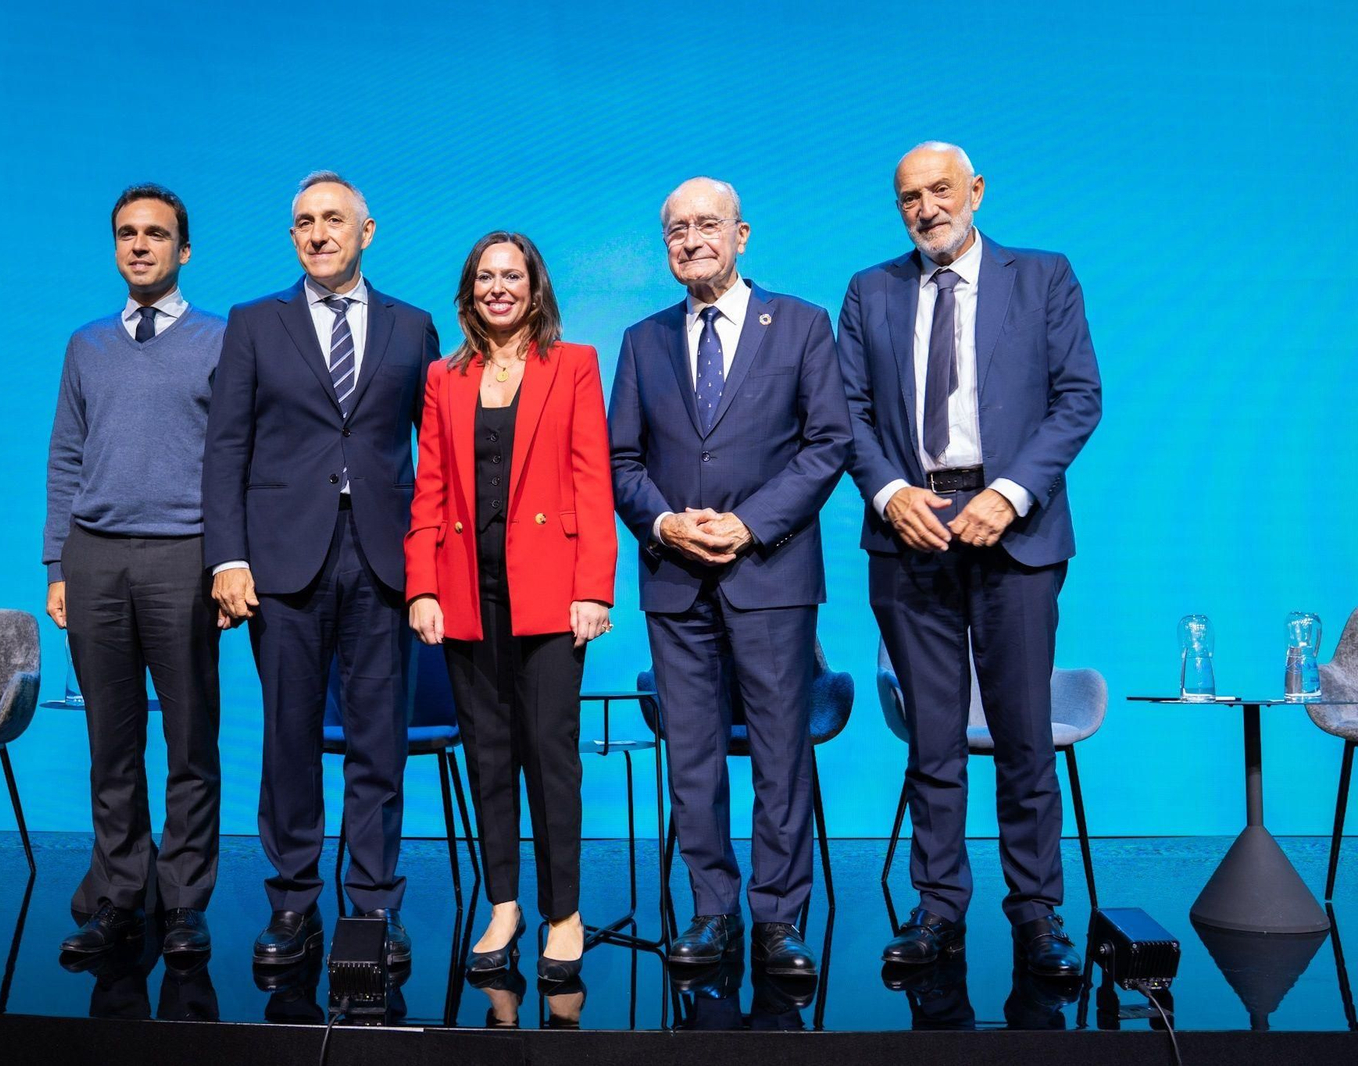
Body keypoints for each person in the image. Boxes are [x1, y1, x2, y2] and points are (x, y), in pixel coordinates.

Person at [835, 142, 1101, 976]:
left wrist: (1010, 494)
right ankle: (938, 909)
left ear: (976, 192)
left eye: (940, 190)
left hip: (1013, 533)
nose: (925, 208)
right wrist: (889, 494)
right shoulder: (869, 291)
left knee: (1024, 738)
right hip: (910, 534)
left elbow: (1078, 398)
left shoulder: (1043, 276)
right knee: (933, 742)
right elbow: (846, 412)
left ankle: (1037, 916)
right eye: (909, 197)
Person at [609, 178, 853, 977]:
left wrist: (749, 524)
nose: (691, 240)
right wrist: (667, 523)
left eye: (706, 224)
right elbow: (621, 460)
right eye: (675, 229)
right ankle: (713, 910)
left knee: (783, 750)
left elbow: (827, 444)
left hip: (771, 573)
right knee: (692, 753)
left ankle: (780, 919)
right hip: (675, 576)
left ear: (742, 234)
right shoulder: (643, 341)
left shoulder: (804, 325)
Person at [202, 172, 439, 967]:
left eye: (334, 219)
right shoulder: (254, 324)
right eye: (303, 221)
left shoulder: (414, 328)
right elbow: (225, 449)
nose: (318, 232)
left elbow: (433, 460)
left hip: (384, 562)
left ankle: (372, 904)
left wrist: (433, 566)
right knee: (289, 739)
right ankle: (294, 904)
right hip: (280, 563)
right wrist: (227, 558)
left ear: (368, 231)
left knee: (380, 742)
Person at [406, 232, 614, 985]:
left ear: (535, 287)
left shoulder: (576, 366)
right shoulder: (444, 376)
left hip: (553, 593)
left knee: (550, 757)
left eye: (512, 275)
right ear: (470, 291)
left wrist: (593, 586)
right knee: (487, 755)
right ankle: (505, 904)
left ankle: (564, 914)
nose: (499, 288)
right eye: (485, 277)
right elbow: (429, 487)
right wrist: (422, 586)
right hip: (466, 589)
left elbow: (594, 481)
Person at [46, 183, 224, 958]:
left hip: (184, 556)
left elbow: (234, 462)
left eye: (156, 234)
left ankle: (184, 905)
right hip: (96, 558)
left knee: (190, 742)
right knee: (109, 744)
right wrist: (58, 563)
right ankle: (121, 896)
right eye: (127, 234)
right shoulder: (86, 344)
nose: (141, 245)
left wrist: (227, 564)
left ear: (184, 250)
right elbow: (64, 457)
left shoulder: (222, 340)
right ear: (116, 248)